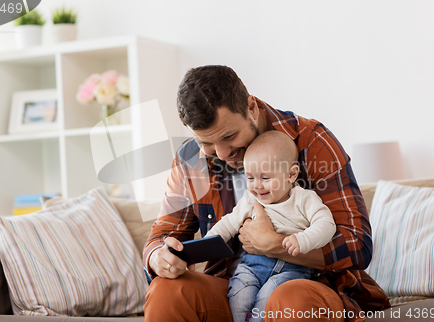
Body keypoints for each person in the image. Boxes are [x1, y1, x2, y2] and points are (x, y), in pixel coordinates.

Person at [143, 65, 390, 322]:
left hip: (307, 284)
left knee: (291, 300)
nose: (223, 154)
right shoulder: (190, 159)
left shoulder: (312, 141)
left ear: (251, 108)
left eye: (230, 136)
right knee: (167, 291)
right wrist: (157, 257)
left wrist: (275, 245)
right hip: (232, 287)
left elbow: (357, 244)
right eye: (206, 143)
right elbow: (162, 236)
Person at [204, 130, 336, 322]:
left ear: (291, 174)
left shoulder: (304, 199)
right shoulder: (250, 198)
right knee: (239, 298)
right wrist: (208, 243)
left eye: (265, 178)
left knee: (267, 301)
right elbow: (229, 222)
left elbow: (326, 224)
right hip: (252, 266)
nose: (257, 186)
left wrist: (303, 240)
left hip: (293, 269)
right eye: (250, 178)